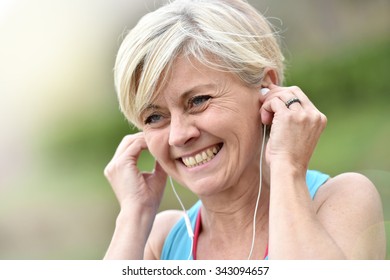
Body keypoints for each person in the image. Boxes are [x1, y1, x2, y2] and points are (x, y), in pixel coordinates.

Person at [103, 0, 386, 260]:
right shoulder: (160, 240)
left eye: (198, 101)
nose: (178, 135)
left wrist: (287, 167)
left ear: (266, 88)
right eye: (154, 117)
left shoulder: (342, 201)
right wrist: (134, 214)